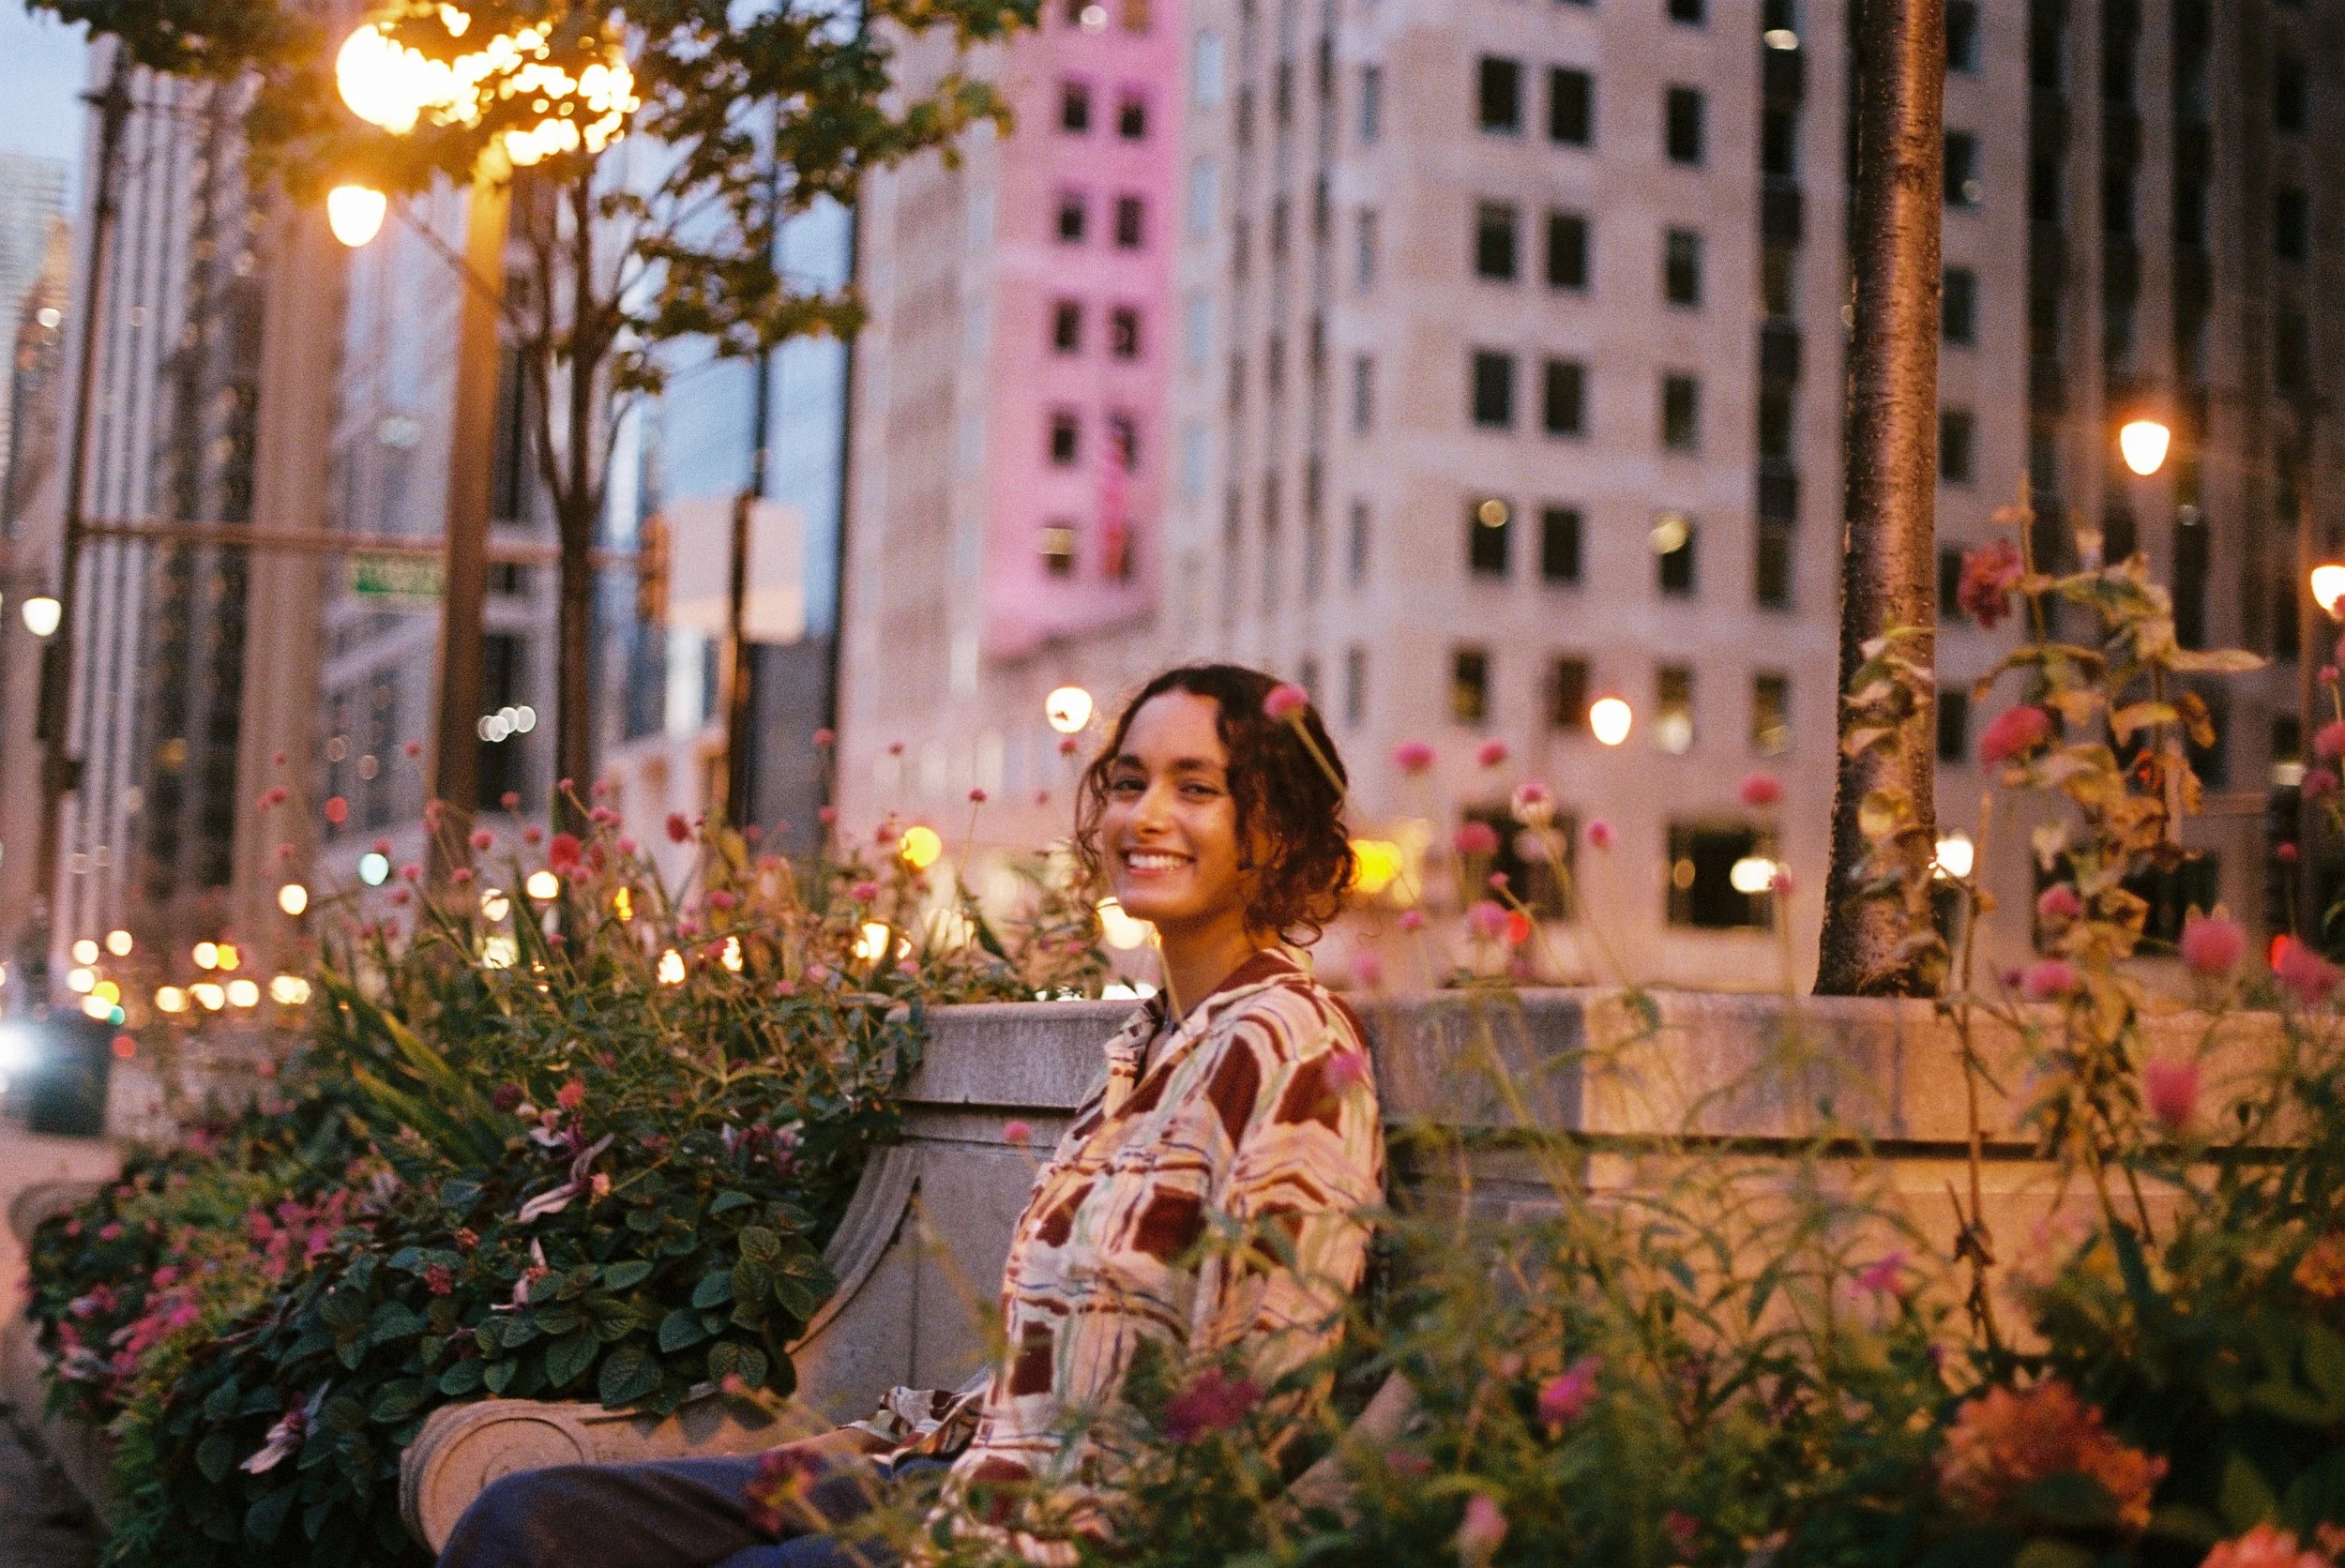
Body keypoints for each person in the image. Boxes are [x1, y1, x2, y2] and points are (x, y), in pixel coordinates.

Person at [438, 664, 1385, 1567]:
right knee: (530, 1524)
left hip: (1051, 1533)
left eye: (1196, 788)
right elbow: (1057, 1362)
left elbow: (1268, 1395)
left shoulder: (1287, 1046)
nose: (1144, 816)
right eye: (1130, 782)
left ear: (1274, 825)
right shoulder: (1140, 1052)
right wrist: (882, 1439)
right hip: (949, 1475)